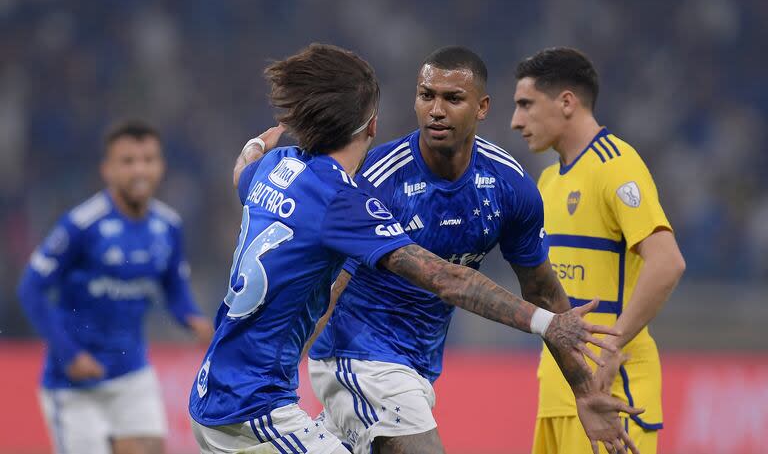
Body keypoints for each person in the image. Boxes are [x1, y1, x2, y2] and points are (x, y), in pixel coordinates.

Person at [187, 43, 637, 454]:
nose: (436, 110)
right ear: (376, 122)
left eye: (453, 99)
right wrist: (546, 324)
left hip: (386, 371)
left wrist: (583, 387)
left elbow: (244, 175)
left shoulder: (277, 166)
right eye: (427, 96)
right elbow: (441, 279)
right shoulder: (361, 192)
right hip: (347, 360)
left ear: (482, 108)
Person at [510, 47, 686, 454]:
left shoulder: (615, 164)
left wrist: (613, 347)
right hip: (560, 394)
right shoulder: (549, 181)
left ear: (566, 101)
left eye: (525, 105)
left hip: (611, 394)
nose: (516, 121)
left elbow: (667, 262)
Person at [17, 121, 214, 454]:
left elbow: (174, 286)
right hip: (74, 384)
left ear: (161, 166)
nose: (140, 169)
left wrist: (192, 318)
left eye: (148, 159)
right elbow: (31, 289)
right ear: (107, 170)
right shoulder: (81, 225)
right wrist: (70, 354)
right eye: (128, 161)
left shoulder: (168, 226)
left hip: (131, 374)